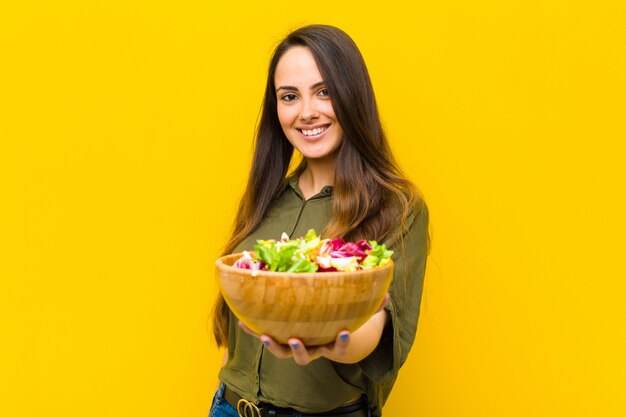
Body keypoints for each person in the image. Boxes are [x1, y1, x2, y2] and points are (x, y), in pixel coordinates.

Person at [209, 24, 429, 417]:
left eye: (324, 91)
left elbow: (376, 333)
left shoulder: (397, 207)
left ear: (352, 96)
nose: (307, 111)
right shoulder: (266, 197)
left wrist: (330, 341)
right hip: (230, 405)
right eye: (289, 96)